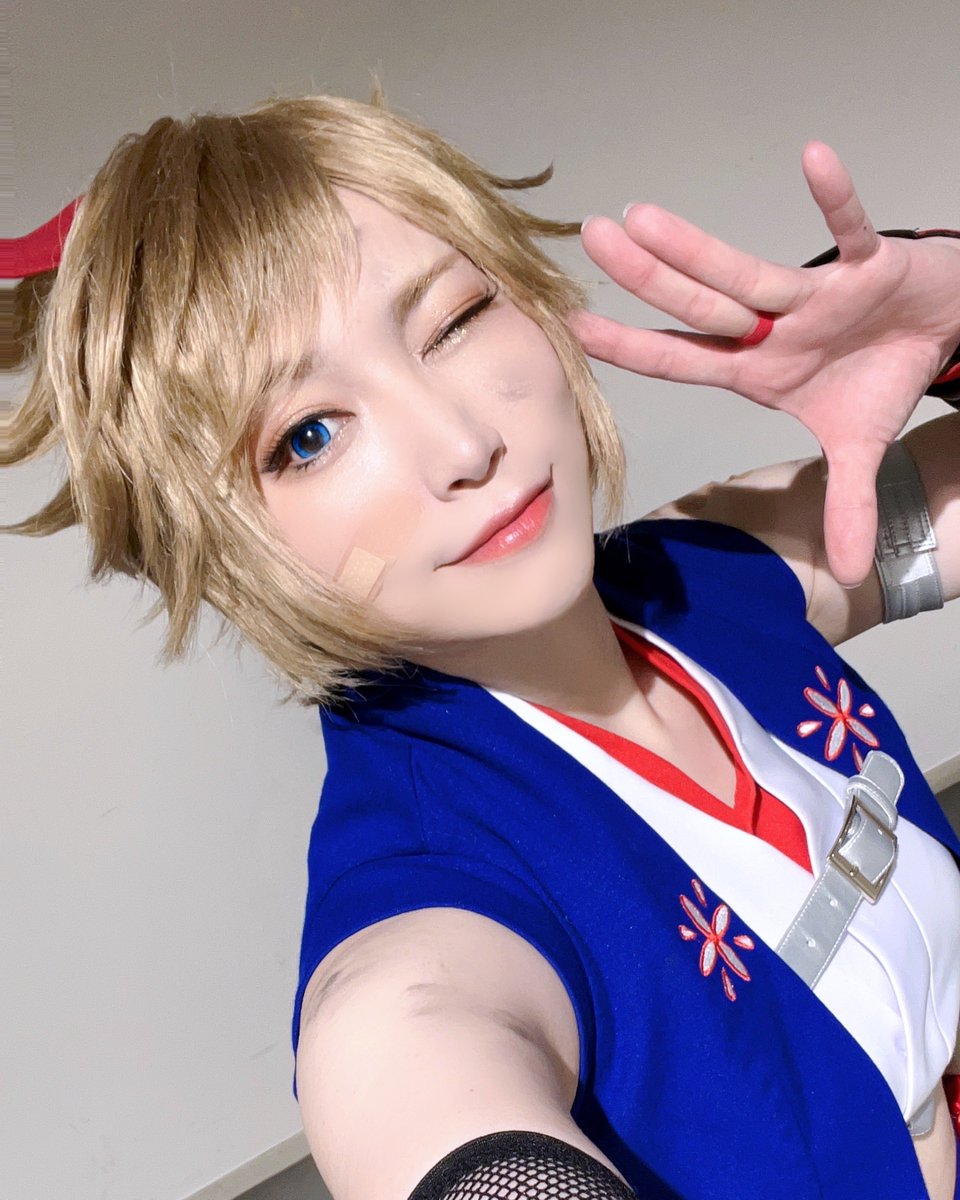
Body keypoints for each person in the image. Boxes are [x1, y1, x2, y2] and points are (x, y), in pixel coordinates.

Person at [4, 95, 959, 1200]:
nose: (463, 444)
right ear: (212, 546)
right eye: (307, 436)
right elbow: (412, 1067)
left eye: (454, 320)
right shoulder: (427, 901)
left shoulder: (709, 573)